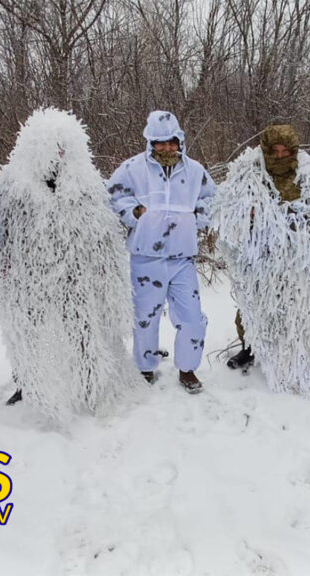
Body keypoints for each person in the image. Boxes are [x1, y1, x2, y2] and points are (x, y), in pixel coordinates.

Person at [0, 108, 139, 423]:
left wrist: (106, 277)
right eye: (51, 146)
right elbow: (1, 239)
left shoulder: (86, 186)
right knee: (35, 337)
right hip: (31, 283)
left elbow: (104, 236)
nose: (57, 154)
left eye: (63, 147)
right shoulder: (12, 190)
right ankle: (32, 385)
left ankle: (91, 388)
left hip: (77, 281)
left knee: (84, 334)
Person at [212, 124, 310, 397]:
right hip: (259, 256)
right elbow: (230, 206)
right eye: (275, 151)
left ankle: (301, 356)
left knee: (298, 307)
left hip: (298, 258)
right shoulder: (249, 172)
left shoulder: (306, 172)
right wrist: (250, 219)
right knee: (254, 306)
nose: (280, 156)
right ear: (265, 150)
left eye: (286, 151)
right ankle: (250, 348)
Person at [107, 111, 215, 394]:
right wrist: (136, 212)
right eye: (160, 143)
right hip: (146, 257)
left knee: (192, 317)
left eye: (172, 142)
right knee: (145, 316)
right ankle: (145, 368)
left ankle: (188, 369)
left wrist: (196, 219)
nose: (167, 148)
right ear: (150, 142)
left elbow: (212, 199)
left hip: (182, 257)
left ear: (180, 141)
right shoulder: (132, 169)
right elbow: (113, 196)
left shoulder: (194, 171)